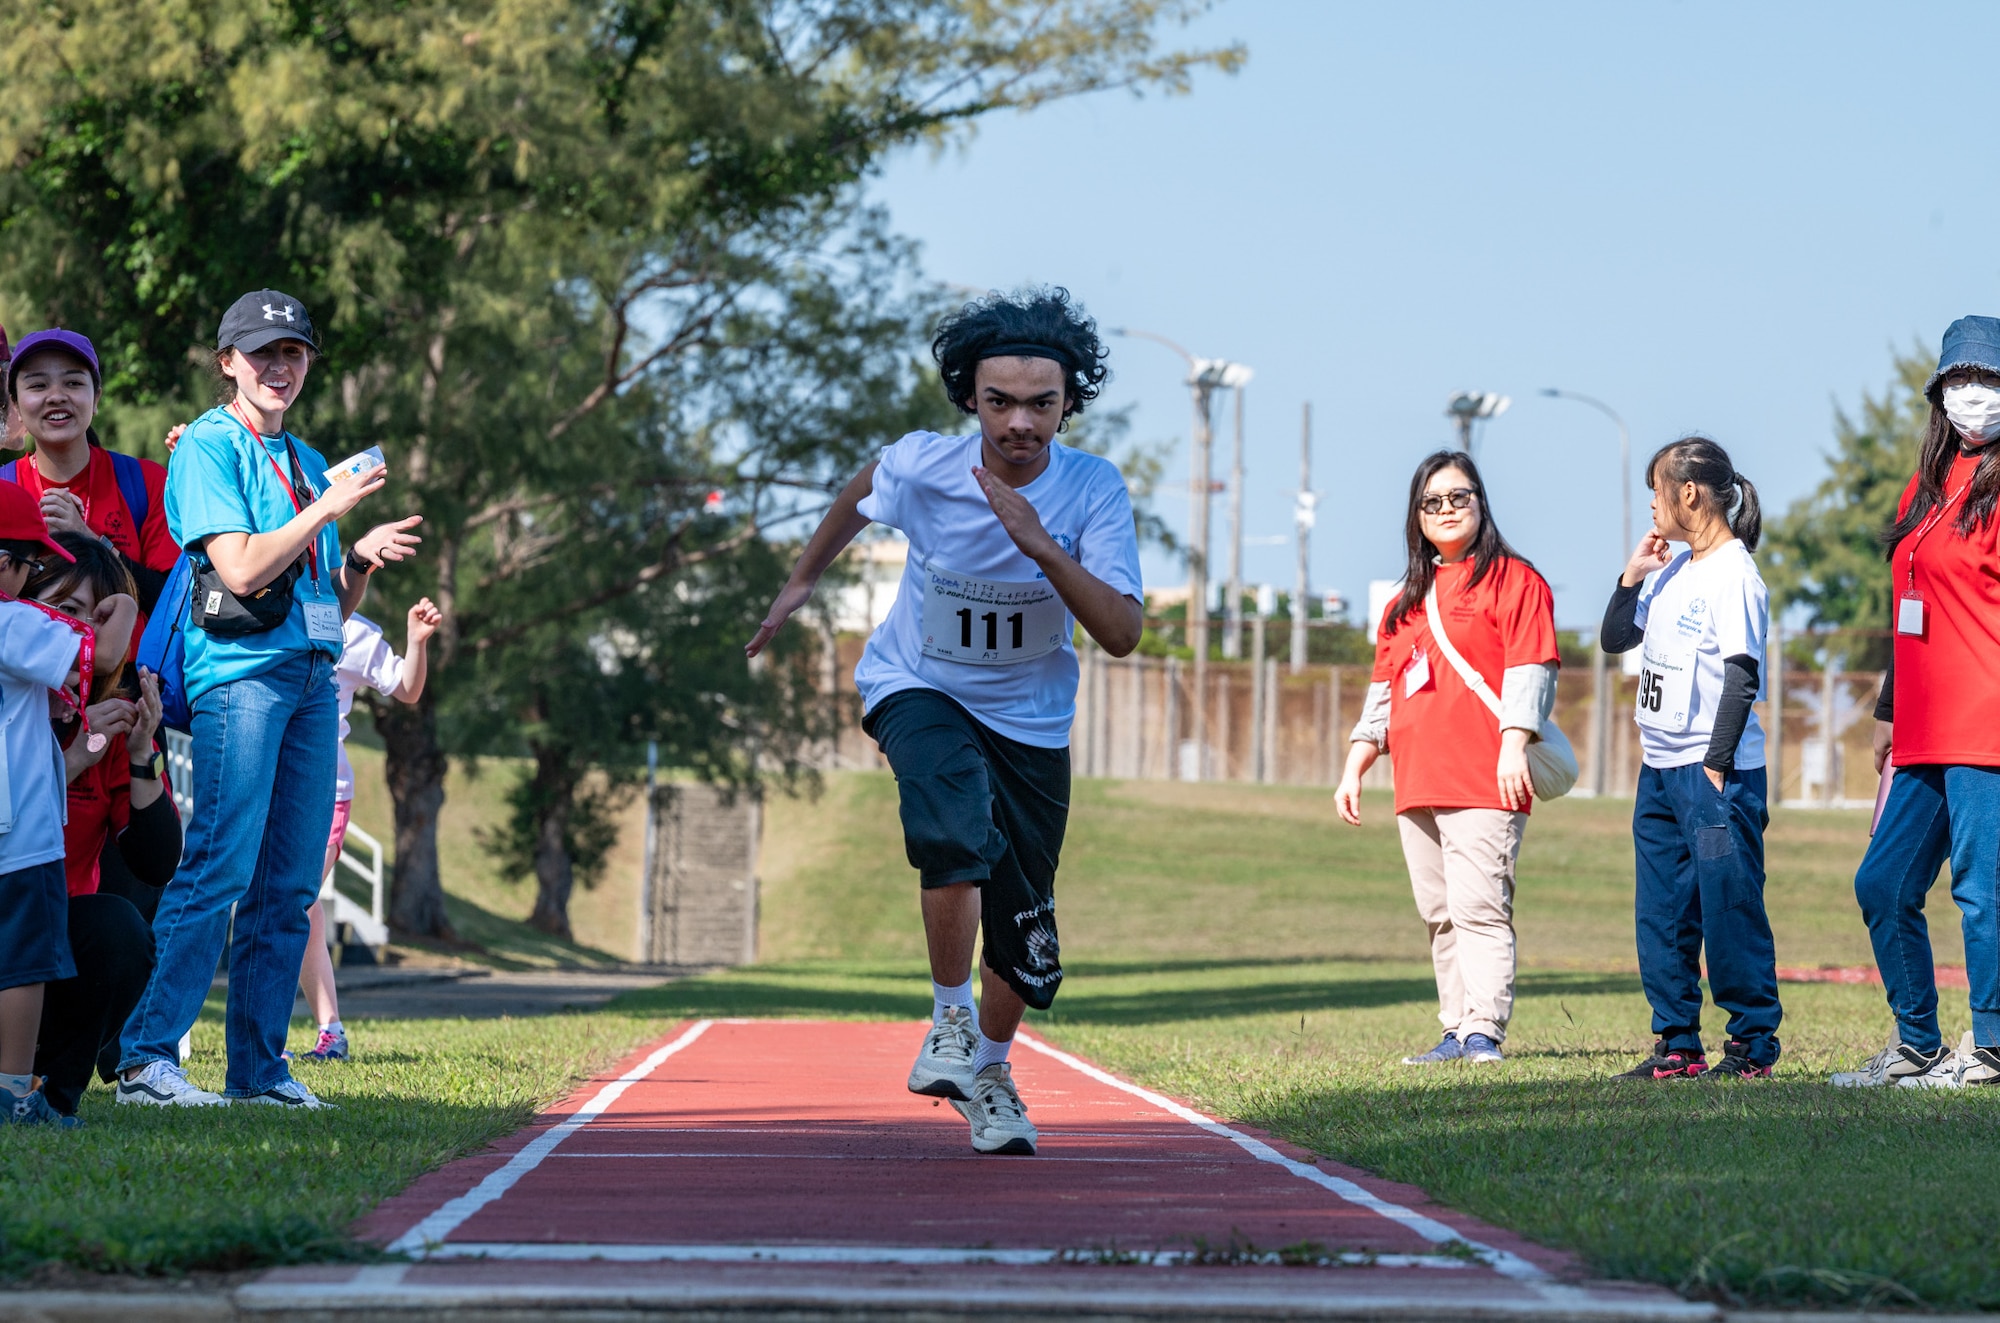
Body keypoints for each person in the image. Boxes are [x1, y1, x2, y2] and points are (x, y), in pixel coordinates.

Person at [745, 288, 1141, 1156]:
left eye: (1042, 403)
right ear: (970, 398)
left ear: (1069, 402)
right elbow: (861, 492)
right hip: (917, 684)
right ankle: (950, 1023)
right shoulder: (927, 464)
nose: (1021, 423)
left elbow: (1119, 631)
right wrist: (803, 580)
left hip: (1031, 720)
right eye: (1000, 401)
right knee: (952, 821)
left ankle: (990, 1072)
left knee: (1027, 936)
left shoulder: (1094, 491)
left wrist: (1041, 544)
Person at [115, 289, 421, 1109]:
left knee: (288, 885)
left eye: (293, 353)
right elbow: (243, 570)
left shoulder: (312, 460)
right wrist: (328, 506)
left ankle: (257, 1070)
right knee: (218, 863)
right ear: (227, 363)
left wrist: (354, 562)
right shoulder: (208, 446)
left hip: (311, 680)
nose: (278, 366)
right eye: (261, 352)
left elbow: (325, 608)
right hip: (238, 678)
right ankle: (146, 1058)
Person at [1335, 451, 1558, 1067]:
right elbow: (1381, 699)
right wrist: (1355, 767)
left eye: (1459, 497)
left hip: (1487, 777)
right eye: (1432, 502)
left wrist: (1514, 743)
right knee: (1440, 916)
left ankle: (1484, 1028)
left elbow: (1531, 670)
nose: (1446, 510)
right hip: (1417, 781)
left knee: (1480, 909)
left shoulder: (1516, 581)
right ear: (1417, 517)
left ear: (1481, 502)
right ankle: (1455, 1029)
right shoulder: (1405, 602)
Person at [1837, 316, 2000, 1089]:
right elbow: (1911, 602)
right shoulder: (1927, 488)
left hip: (1988, 720)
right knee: (1884, 881)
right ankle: (1918, 1044)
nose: (1974, 393)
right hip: (1926, 726)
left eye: (1989, 378)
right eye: (1961, 379)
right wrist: (1888, 709)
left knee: (1980, 886)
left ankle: (1994, 1048)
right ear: (1939, 394)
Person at [1599, 436, 1778, 1081]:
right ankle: (1677, 1044)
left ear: (1689, 494)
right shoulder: (1674, 571)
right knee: (1663, 913)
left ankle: (1753, 1044)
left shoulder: (1735, 574)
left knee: (1729, 907)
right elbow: (1615, 638)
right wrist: (1631, 577)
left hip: (1714, 774)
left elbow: (1741, 675)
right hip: (1661, 769)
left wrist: (1717, 762)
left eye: (1656, 491)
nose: (1652, 504)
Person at [24, 533, 174, 1118]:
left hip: (55, 943)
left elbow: (156, 861)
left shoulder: (110, 721)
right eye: (56, 609)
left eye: (87, 616)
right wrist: (70, 762)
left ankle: (54, 1095)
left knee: (120, 929)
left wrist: (140, 756)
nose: (71, 632)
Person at [294, 598, 439, 1064]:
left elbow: (406, 688)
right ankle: (321, 1028)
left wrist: (416, 641)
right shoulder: (267, 612)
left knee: (293, 902)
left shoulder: (353, 632)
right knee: (295, 906)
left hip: (323, 790)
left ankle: (314, 1032)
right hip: (268, 783)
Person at [0, 483, 89, 1125]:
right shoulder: (12, 621)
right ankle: (11, 1089)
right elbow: (100, 651)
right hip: (19, 827)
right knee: (22, 963)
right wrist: (109, 596)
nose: (36, 580)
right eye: (33, 565)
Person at [3, 330, 179, 615]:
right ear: (16, 405)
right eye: (38, 385)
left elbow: (175, 603)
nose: (56, 396)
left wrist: (90, 540)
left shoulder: (147, 482)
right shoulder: (4, 489)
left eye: (73, 383)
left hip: (133, 661)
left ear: (96, 398)